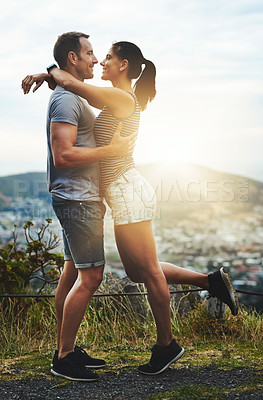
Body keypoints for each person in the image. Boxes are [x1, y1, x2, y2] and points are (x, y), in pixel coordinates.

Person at [22, 39, 239, 378]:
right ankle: (209, 281)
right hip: (121, 192)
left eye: (107, 57)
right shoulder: (115, 98)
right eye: (98, 56)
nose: (102, 62)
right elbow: (72, 85)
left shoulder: (122, 98)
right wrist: (49, 75)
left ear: (123, 65)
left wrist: (49, 73)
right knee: (138, 273)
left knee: (149, 272)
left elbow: (71, 83)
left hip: (127, 190)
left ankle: (167, 345)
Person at [22, 32, 137, 382]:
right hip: (77, 198)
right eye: (89, 53)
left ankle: (63, 348)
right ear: (72, 58)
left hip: (78, 196)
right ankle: (64, 358)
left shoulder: (71, 93)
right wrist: (112, 153)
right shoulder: (66, 102)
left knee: (72, 271)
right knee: (92, 276)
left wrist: (48, 73)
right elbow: (64, 154)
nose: (94, 59)